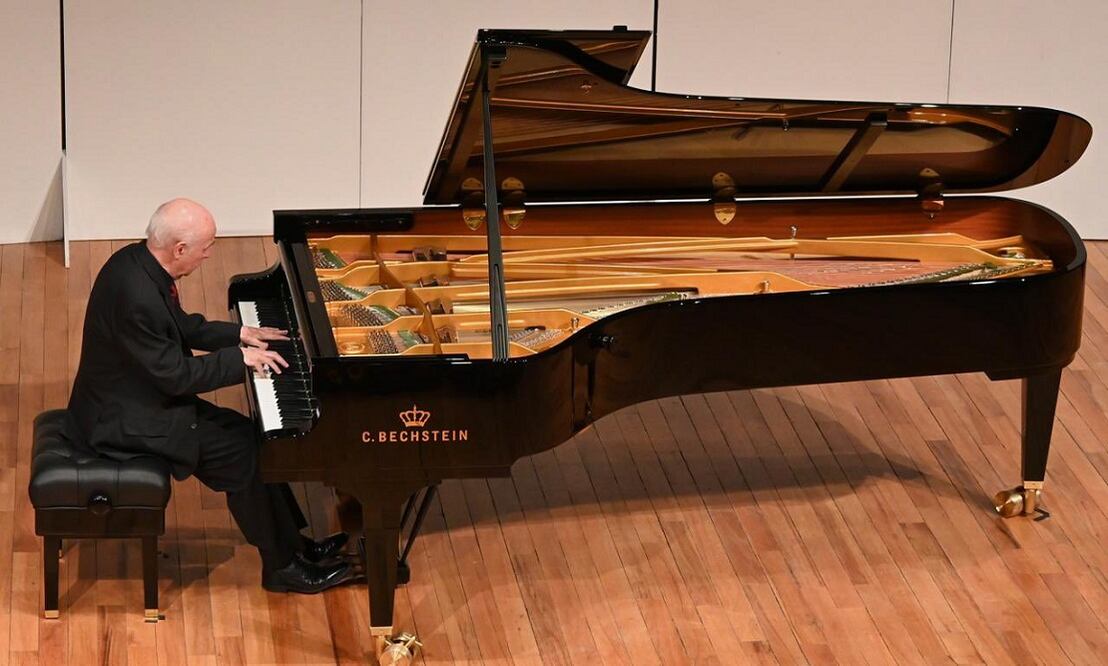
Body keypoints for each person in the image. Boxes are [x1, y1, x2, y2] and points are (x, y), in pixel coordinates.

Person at [65, 197, 350, 593]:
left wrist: (239, 334)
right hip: (123, 420)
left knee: (254, 436)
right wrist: (240, 359)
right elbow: (176, 377)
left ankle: (294, 546)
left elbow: (180, 327)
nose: (209, 254)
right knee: (243, 458)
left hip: (135, 396)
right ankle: (281, 568)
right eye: (206, 247)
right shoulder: (137, 297)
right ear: (179, 249)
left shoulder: (138, 262)